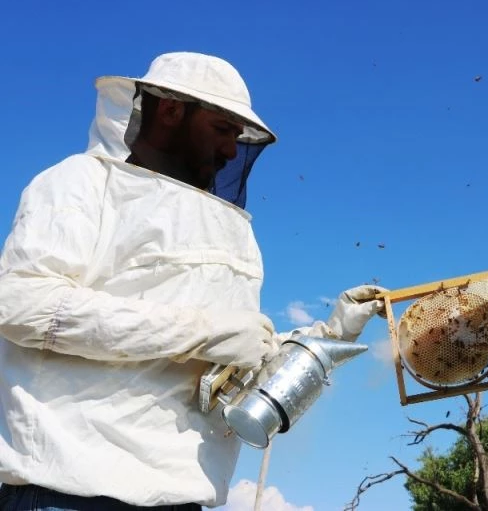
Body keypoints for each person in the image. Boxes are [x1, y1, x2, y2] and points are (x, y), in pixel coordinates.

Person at [0, 52, 386, 510]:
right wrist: (204, 332)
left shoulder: (233, 236)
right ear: (170, 111)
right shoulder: (80, 183)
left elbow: (233, 372)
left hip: (182, 497)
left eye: (237, 138)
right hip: (67, 491)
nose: (231, 151)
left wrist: (329, 337)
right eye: (222, 130)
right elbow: (21, 304)